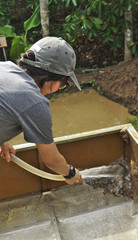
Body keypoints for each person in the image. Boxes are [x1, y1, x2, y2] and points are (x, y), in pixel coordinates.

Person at [0, 36, 82, 185]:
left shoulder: (4, 67)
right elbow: (52, 160)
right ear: (53, 79)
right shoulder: (34, 102)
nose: (59, 89)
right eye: (63, 84)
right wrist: (70, 173)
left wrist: (2, 139)